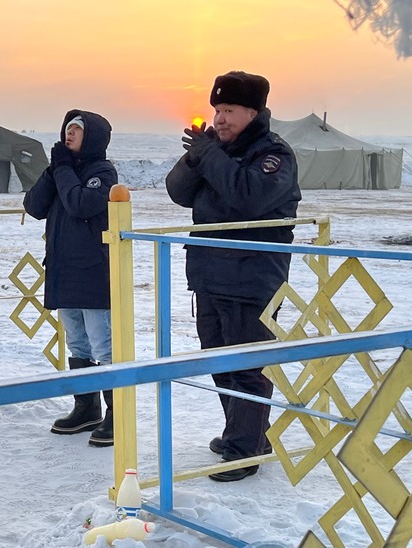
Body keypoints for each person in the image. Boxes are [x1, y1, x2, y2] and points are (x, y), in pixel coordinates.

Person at [166, 71, 301, 482]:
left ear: (253, 112)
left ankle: (245, 451)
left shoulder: (273, 155)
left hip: (252, 278)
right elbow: (178, 191)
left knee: (247, 366)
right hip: (209, 274)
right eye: (217, 110)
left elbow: (247, 195)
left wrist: (209, 156)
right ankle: (247, 436)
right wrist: (195, 158)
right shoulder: (214, 151)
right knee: (219, 362)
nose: (220, 119)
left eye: (229, 111)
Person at [23, 110, 118, 447]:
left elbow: (80, 205)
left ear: (91, 136)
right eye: (67, 128)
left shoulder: (103, 173)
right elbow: (34, 206)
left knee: (103, 344)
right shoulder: (63, 169)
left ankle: (116, 413)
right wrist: (54, 169)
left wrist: (63, 169)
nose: (69, 134)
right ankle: (86, 407)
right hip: (64, 269)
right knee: (77, 343)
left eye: (77, 129)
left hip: (93, 271)